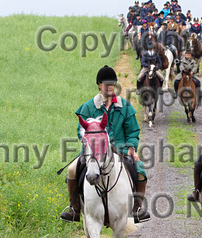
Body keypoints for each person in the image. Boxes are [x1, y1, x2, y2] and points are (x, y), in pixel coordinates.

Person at [60, 65, 150, 223]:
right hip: (94, 151)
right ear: (99, 85)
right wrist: (89, 144)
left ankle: (137, 207)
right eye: (106, 84)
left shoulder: (125, 106)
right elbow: (81, 131)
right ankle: (74, 208)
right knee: (72, 169)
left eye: (112, 84)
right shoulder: (88, 108)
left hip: (120, 150)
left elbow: (132, 131)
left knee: (140, 170)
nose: (110, 87)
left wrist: (131, 148)